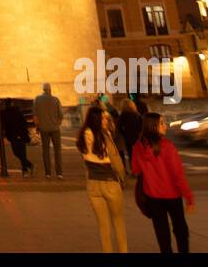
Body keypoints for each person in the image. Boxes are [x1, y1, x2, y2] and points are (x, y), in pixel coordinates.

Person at [131, 112, 194, 253]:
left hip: (152, 195)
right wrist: (189, 197)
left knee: (161, 231)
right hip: (172, 195)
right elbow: (177, 175)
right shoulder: (167, 146)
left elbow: (135, 170)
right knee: (180, 229)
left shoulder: (138, 146)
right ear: (153, 126)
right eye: (161, 123)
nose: (165, 125)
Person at [77, 106, 127, 252]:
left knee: (103, 226)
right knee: (118, 222)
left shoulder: (83, 135)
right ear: (97, 119)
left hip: (93, 183)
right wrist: (122, 179)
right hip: (109, 181)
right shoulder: (104, 136)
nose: (106, 121)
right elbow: (117, 161)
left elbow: (86, 161)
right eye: (104, 118)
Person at [33, 82, 64, 179]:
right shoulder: (55, 100)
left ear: (43, 90)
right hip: (55, 128)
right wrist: (57, 123)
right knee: (57, 151)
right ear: (50, 89)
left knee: (45, 151)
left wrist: (38, 126)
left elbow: (35, 116)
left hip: (43, 129)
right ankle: (59, 173)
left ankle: (48, 173)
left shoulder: (37, 100)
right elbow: (61, 114)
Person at [2, 99, 33, 176]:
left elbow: (5, 125)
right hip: (20, 135)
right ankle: (28, 165)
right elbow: (24, 122)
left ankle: (26, 168)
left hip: (14, 135)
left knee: (17, 152)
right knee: (21, 153)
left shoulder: (6, 113)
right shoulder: (17, 112)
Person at [116, 98, 142, 173]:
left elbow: (119, 127)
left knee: (131, 155)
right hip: (137, 138)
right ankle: (139, 169)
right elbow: (141, 127)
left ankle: (133, 170)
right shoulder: (137, 115)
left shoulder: (122, 116)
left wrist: (124, 134)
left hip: (128, 138)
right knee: (138, 154)